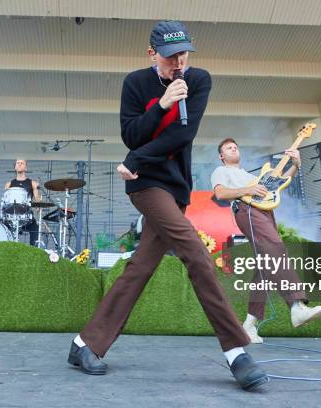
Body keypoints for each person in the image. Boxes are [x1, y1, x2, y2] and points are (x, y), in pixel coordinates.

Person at [67, 20, 268, 391]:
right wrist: (161, 105)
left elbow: (183, 134)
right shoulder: (135, 84)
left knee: (139, 268)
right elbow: (131, 132)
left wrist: (135, 158)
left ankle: (84, 344)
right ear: (151, 53)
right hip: (146, 186)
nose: (179, 62)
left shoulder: (200, 80)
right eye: (170, 56)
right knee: (196, 253)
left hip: (173, 186)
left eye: (183, 54)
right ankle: (237, 352)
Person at [211, 138, 321, 343]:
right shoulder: (222, 171)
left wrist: (296, 164)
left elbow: (280, 182)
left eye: (236, 146)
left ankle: (249, 325)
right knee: (276, 250)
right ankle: (296, 306)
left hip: (265, 212)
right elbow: (220, 193)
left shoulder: (250, 175)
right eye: (229, 148)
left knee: (264, 267)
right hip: (246, 210)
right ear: (222, 156)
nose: (234, 148)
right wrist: (246, 190)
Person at [4, 158, 40, 246]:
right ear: (15, 167)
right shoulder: (8, 184)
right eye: (17, 163)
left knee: (35, 227)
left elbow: (37, 200)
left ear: (26, 168)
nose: (19, 164)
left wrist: (38, 206)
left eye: (22, 163)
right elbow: (5, 201)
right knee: (3, 226)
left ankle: (33, 251)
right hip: (11, 216)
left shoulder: (33, 183)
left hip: (26, 215)